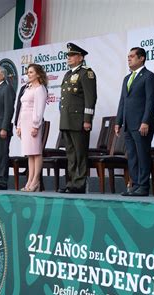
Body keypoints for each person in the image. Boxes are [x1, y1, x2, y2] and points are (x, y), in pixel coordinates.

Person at [115, 47, 154, 197]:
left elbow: (150, 101)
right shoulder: (127, 78)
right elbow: (123, 101)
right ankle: (134, 185)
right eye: (128, 56)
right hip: (128, 124)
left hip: (142, 124)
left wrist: (145, 121)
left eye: (132, 56)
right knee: (132, 156)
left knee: (142, 155)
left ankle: (144, 186)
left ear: (141, 58)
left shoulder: (149, 76)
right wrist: (118, 121)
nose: (129, 59)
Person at [58, 43, 97, 194]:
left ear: (80, 57)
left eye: (72, 55)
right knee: (71, 154)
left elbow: (90, 97)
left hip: (79, 119)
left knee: (80, 153)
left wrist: (88, 119)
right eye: (68, 55)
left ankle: (79, 184)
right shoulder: (68, 74)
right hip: (67, 119)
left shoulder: (86, 73)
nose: (68, 58)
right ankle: (71, 182)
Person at [16, 64, 48, 192]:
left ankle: (35, 181)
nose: (28, 74)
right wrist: (18, 125)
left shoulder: (40, 89)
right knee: (30, 154)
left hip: (32, 123)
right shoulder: (27, 88)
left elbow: (39, 109)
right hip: (24, 122)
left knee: (36, 152)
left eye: (31, 72)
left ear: (38, 74)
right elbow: (21, 108)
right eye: (27, 72)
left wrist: (35, 125)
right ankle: (29, 180)